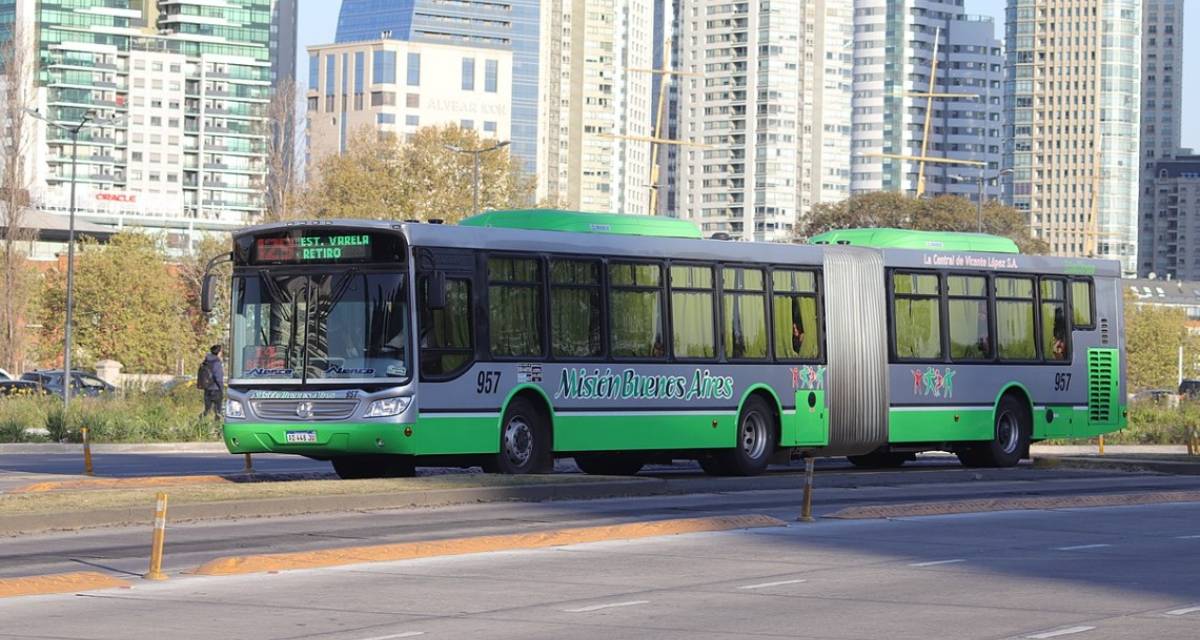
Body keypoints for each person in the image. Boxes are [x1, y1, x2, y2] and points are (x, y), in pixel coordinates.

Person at [199, 345, 225, 420]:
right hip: (216, 389)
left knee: (207, 410)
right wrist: (221, 388)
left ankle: (200, 422)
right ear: (219, 352)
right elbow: (218, 377)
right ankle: (216, 427)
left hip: (207, 388)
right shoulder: (217, 362)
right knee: (218, 411)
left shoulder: (206, 361)